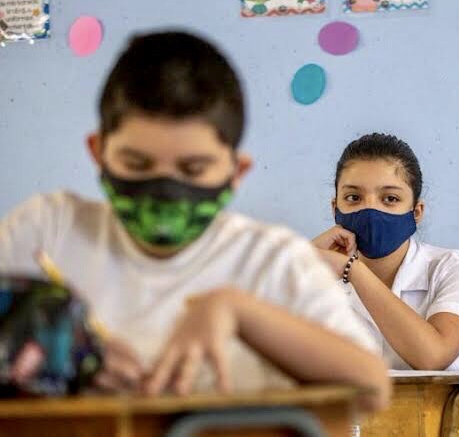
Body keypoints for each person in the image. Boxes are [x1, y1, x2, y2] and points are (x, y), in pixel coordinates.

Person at [0, 32, 390, 409]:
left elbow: (372, 387)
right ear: (98, 153)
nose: (165, 189)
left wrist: (238, 311)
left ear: (236, 171)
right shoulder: (47, 231)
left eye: (193, 168)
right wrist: (57, 352)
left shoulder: (272, 259)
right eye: (137, 164)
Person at [313, 133, 459, 371]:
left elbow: (434, 356)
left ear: (416, 212)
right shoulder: (315, 276)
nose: (370, 209)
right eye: (353, 197)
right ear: (335, 208)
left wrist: (352, 269)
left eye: (390, 198)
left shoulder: (454, 268)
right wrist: (297, 262)